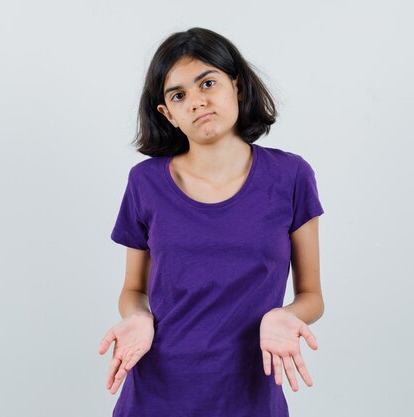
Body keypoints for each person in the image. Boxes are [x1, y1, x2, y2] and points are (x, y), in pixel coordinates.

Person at [97, 27, 325, 417]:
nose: (197, 101)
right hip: (156, 395)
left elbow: (312, 297)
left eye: (207, 83)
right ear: (167, 114)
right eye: (179, 95)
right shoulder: (145, 182)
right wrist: (137, 318)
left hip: (251, 397)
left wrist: (283, 316)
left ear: (236, 85)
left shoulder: (290, 176)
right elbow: (133, 289)